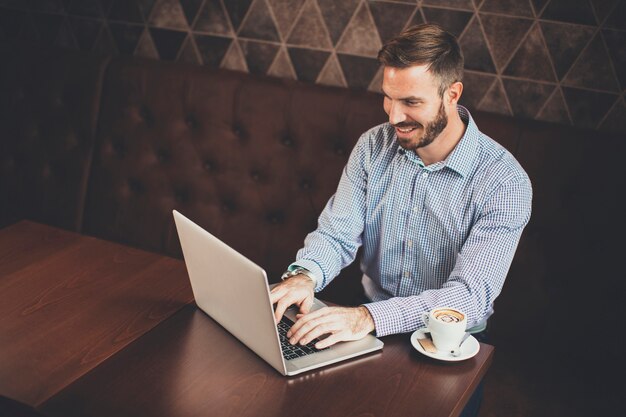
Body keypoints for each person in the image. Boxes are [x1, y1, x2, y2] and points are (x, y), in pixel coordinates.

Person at [271, 23, 531, 359]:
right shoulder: (372, 147)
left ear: (452, 95)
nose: (394, 116)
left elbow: (470, 295)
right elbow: (337, 235)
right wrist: (304, 275)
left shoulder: (505, 182)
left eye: (410, 102)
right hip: (366, 320)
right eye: (388, 98)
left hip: (450, 338)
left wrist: (367, 318)